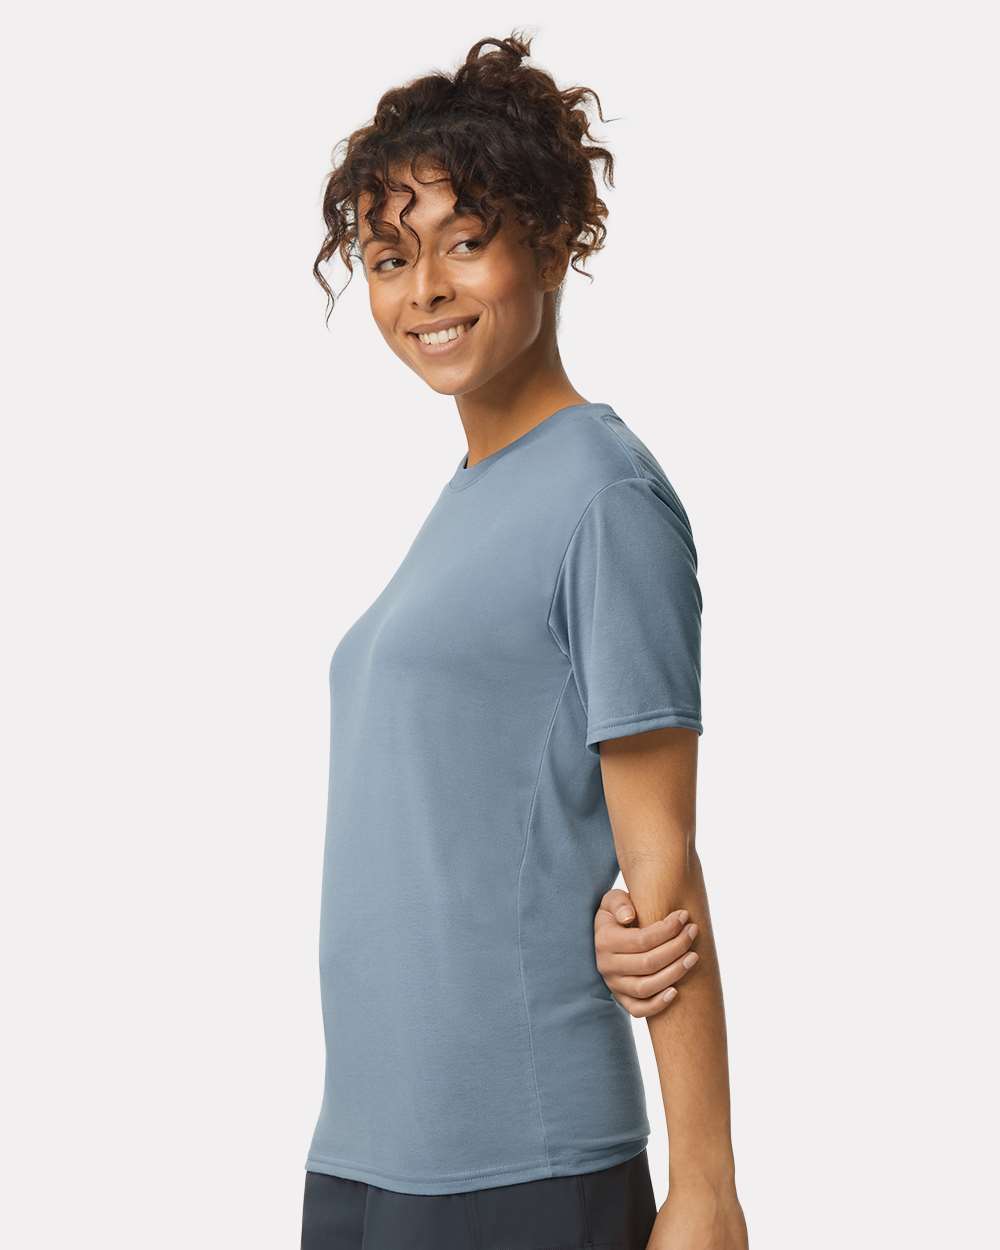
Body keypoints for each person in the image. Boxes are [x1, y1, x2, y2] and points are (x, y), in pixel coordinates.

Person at [302, 31, 748, 1250]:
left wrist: (704, 1190)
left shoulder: (603, 495)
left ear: (551, 241)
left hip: (513, 1162)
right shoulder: (471, 496)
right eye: (390, 257)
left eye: (464, 240)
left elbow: (660, 876)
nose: (424, 290)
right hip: (365, 1149)